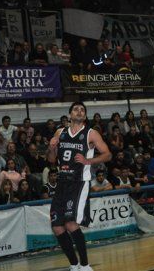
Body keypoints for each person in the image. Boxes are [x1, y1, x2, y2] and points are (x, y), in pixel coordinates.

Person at [47, 102, 111, 271]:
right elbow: (52, 160)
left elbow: (108, 154)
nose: (79, 111)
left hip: (79, 182)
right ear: (69, 114)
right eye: (76, 109)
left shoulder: (91, 133)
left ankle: (85, 265)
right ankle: (74, 265)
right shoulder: (59, 133)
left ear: (85, 115)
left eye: (82, 110)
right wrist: (52, 148)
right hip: (62, 182)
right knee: (57, 227)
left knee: (70, 223)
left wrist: (88, 161)